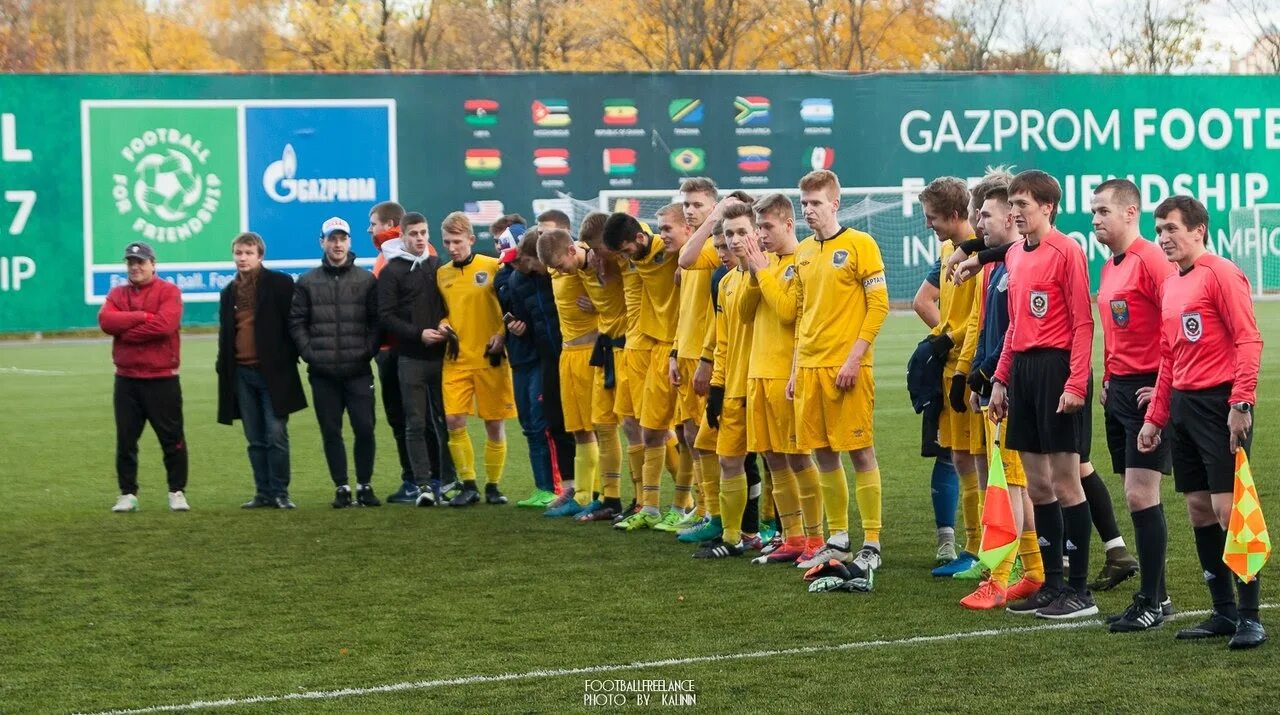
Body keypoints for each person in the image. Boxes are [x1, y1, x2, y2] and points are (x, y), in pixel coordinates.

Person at [1139, 195, 1266, 650]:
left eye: (1171, 228)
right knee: (1198, 509)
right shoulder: (1172, 284)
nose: (1163, 238)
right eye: (1158, 230)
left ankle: (1251, 615)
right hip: (1185, 409)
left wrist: (1241, 403)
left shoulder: (1222, 273)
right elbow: (1169, 357)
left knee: (1229, 509)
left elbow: (1249, 340)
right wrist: (1156, 418)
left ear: (1199, 230)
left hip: (1221, 404)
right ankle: (1223, 612)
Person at [988, 171, 1096, 619]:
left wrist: (1075, 383)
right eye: (1012, 204)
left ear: (1048, 208)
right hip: (1025, 373)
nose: (1015, 212)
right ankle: (1052, 584)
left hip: (1057, 369)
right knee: (1036, 485)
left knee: (1066, 482)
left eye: (1023, 204)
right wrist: (1000, 379)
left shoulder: (1067, 250)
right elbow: (1015, 325)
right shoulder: (1014, 253)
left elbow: (1082, 323)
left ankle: (1080, 590)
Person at [788, 169, 889, 577]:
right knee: (823, 453)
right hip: (809, 368)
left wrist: (853, 358)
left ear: (835, 203)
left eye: (815, 203)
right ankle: (838, 538)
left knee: (861, 453)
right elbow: (800, 315)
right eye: (804, 203)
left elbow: (878, 306)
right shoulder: (803, 253)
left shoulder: (860, 244)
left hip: (847, 369)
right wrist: (796, 369)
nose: (808, 210)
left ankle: (872, 542)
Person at [1090, 179, 1178, 630]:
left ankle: (1149, 601)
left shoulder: (1153, 261)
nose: (1095, 220)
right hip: (1119, 391)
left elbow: (1174, 328)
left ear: (1130, 212)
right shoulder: (1109, 268)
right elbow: (1114, 330)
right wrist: (1108, 378)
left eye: (1104, 211)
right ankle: (1158, 600)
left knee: (1140, 493)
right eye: (1093, 212)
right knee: (1136, 494)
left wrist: (1161, 387)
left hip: (1148, 389)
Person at [957, 174, 1047, 610]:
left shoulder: (1020, 264)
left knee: (1011, 486)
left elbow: (1017, 328)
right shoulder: (997, 266)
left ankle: (1001, 576)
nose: (979, 223)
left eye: (986, 214)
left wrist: (994, 375)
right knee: (1014, 484)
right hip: (995, 385)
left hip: (1010, 388)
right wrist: (977, 371)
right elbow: (987, 325)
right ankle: (1033, 570)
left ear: (1013, 216)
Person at [739, 193, 822, 564]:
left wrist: (762, 273)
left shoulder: (802, 259)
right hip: (758, 373)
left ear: (789, 224)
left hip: (785, 375)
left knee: (799, 460)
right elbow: (743, 313)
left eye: (767, 226)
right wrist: (757, 272)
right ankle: (792, 536)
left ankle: (817, 538)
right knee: (774, 461)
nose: (762, 234)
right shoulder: (764, 262)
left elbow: (789, 313)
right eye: (759, 227)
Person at [917, 177, 986, 580]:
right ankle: (970, 545)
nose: (930, 225)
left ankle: (982, 548)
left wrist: (950, 340)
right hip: (948, 371)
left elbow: (979, 315)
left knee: (979, 461)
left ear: (958, 215)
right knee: (960, 458)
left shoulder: (983, 251)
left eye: (934, 218)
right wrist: (940, 341)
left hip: (971, 370)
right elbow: (938, 306)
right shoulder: (946, 251)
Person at [602, 209, 688, 531]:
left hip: (684, 348)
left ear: (639, 238)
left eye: (625, 252)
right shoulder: (635, 257)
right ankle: (649, 507)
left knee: (687, 433)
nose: (624, 258)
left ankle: (686, 507)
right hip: (654, 348)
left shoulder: (674, 250)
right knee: (651, 429)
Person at [289, 217, 382, 508]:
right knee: (331, 431)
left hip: (358, 370)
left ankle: (364, 485)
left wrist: (366, 351)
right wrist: (310, 353)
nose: (337, 244)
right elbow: (296, 322)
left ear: (350, 242)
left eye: (342, 238)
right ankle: (341, 487)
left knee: (365, 428)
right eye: (332, 238)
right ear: (322, 242)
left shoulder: (366, 280)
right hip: (323, 373)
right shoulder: (307, 281)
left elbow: (376, 322)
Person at [216, 232, 307, 510]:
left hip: (274, 373)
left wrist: (287, 358)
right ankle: (263, 492)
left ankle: (280, 492)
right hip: (241, 374)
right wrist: (223, 366)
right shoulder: (228, 291)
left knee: (276, 434)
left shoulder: (279, 284)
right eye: (238, 253)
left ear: (260, 256)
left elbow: (294, 323)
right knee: (254, 438)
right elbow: (226, 334)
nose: (242, 258)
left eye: (248, 253)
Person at [692, 205, 763, 558]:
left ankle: (791, 535)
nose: (734, 241)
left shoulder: (770, 272)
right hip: (734, 386)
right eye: (729, 235)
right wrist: (717, 386)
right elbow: (724, 341)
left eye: (741, 233)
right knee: (729, 461)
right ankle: (735, 536)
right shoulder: (725, 281)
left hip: (765, 383)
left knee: (783, 462)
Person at [99, 241, 189, 513]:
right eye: (131, 262)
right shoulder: (117, 293)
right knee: (126, 441)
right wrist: (142, 316)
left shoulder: (169, 291)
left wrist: (125, 331)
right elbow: (106, 321)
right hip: (126, 380)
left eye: (140, 262)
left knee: (172, 439)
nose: (135, 267)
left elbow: (165, 326)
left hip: (162, 378)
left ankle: (177, 491)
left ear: (153, 264)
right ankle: (127, 493)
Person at [437, 211, 516, 506]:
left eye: (457, 241)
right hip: (456, 358)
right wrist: (443, 323)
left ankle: (493, 485)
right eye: (447, 242)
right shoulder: (442, 274)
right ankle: (468, 483)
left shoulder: (493, 266)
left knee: (494, 424)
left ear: (471, 239)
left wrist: (502, 334)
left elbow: (510, 305)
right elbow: (443, 310)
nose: (452, 247)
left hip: (490, 357)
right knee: (454, 419)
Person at [376, 212, 451, 506]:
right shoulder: (391, 271)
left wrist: (445, 323)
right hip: (410, 358)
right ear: (402, 236)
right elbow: (385, 317)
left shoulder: (437, 266)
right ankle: (423, 485)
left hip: (442, 357)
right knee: (415, 423)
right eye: (414, 234)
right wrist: (418, 333)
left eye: (423, 233)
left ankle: (447, 481)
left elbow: (449, 305)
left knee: (446, 423)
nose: (419, 238)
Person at [500, 227, 575, 508]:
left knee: (591, 424)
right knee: (556, 422)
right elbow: (529, 322)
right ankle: (571, 489)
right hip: (548, 357)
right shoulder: (519, 281)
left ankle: (602, 491)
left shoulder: (566, 272)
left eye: (528, 261)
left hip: (578, 354)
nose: (523, 266)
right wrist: (522, 329)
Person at [538, 227, 603, 517]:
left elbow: (619, 299)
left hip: (591, 354)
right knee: (576, 429)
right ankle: (582, 493)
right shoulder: (559, 268)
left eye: (560, 265)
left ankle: (602, 495)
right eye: (552, 268)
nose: (559, 272)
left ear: (571, 251)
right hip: (567, 354)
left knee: (599, 427)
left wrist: (598, 306)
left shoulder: (591, 266)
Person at [370, 201, 422, 502]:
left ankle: (416, 480)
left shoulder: (393, 250)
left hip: (397, 347)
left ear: (390, 223)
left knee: (405, 417)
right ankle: (429, 478)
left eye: (373, 223)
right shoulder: (400, 250)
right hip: (407, 345)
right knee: (416, 417)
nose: (370, 229)